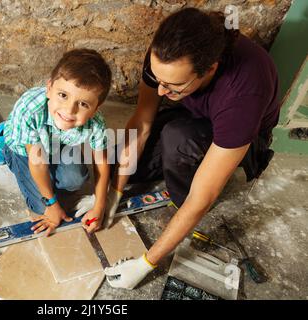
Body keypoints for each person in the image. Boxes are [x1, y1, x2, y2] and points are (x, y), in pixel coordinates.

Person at [103, 7, 279, 289]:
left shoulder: (244, 93)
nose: (160, 92)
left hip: (243, 138)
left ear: (210, 68)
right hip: (196, 116)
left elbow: (203, 194)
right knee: (120, 164)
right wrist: (114, 191)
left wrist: (147, 263)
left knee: (178, 141)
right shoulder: (166, 54)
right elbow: (142, 121)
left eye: (172, 86)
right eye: (158, 81)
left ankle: (179, 197)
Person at [0, 49, 112, 236]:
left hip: (56, 144)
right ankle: (3, 135)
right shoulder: (30, 109)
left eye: (83, 104)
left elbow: (101, 163)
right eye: (63, 95)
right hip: (23, 148)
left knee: (75, 181)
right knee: (39, 203)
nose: (70, 110)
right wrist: (51, 204)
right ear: (49, 88)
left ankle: (49, 181)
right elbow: (38, 162)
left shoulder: (96, 123)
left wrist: (100, 205)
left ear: (95, 109)